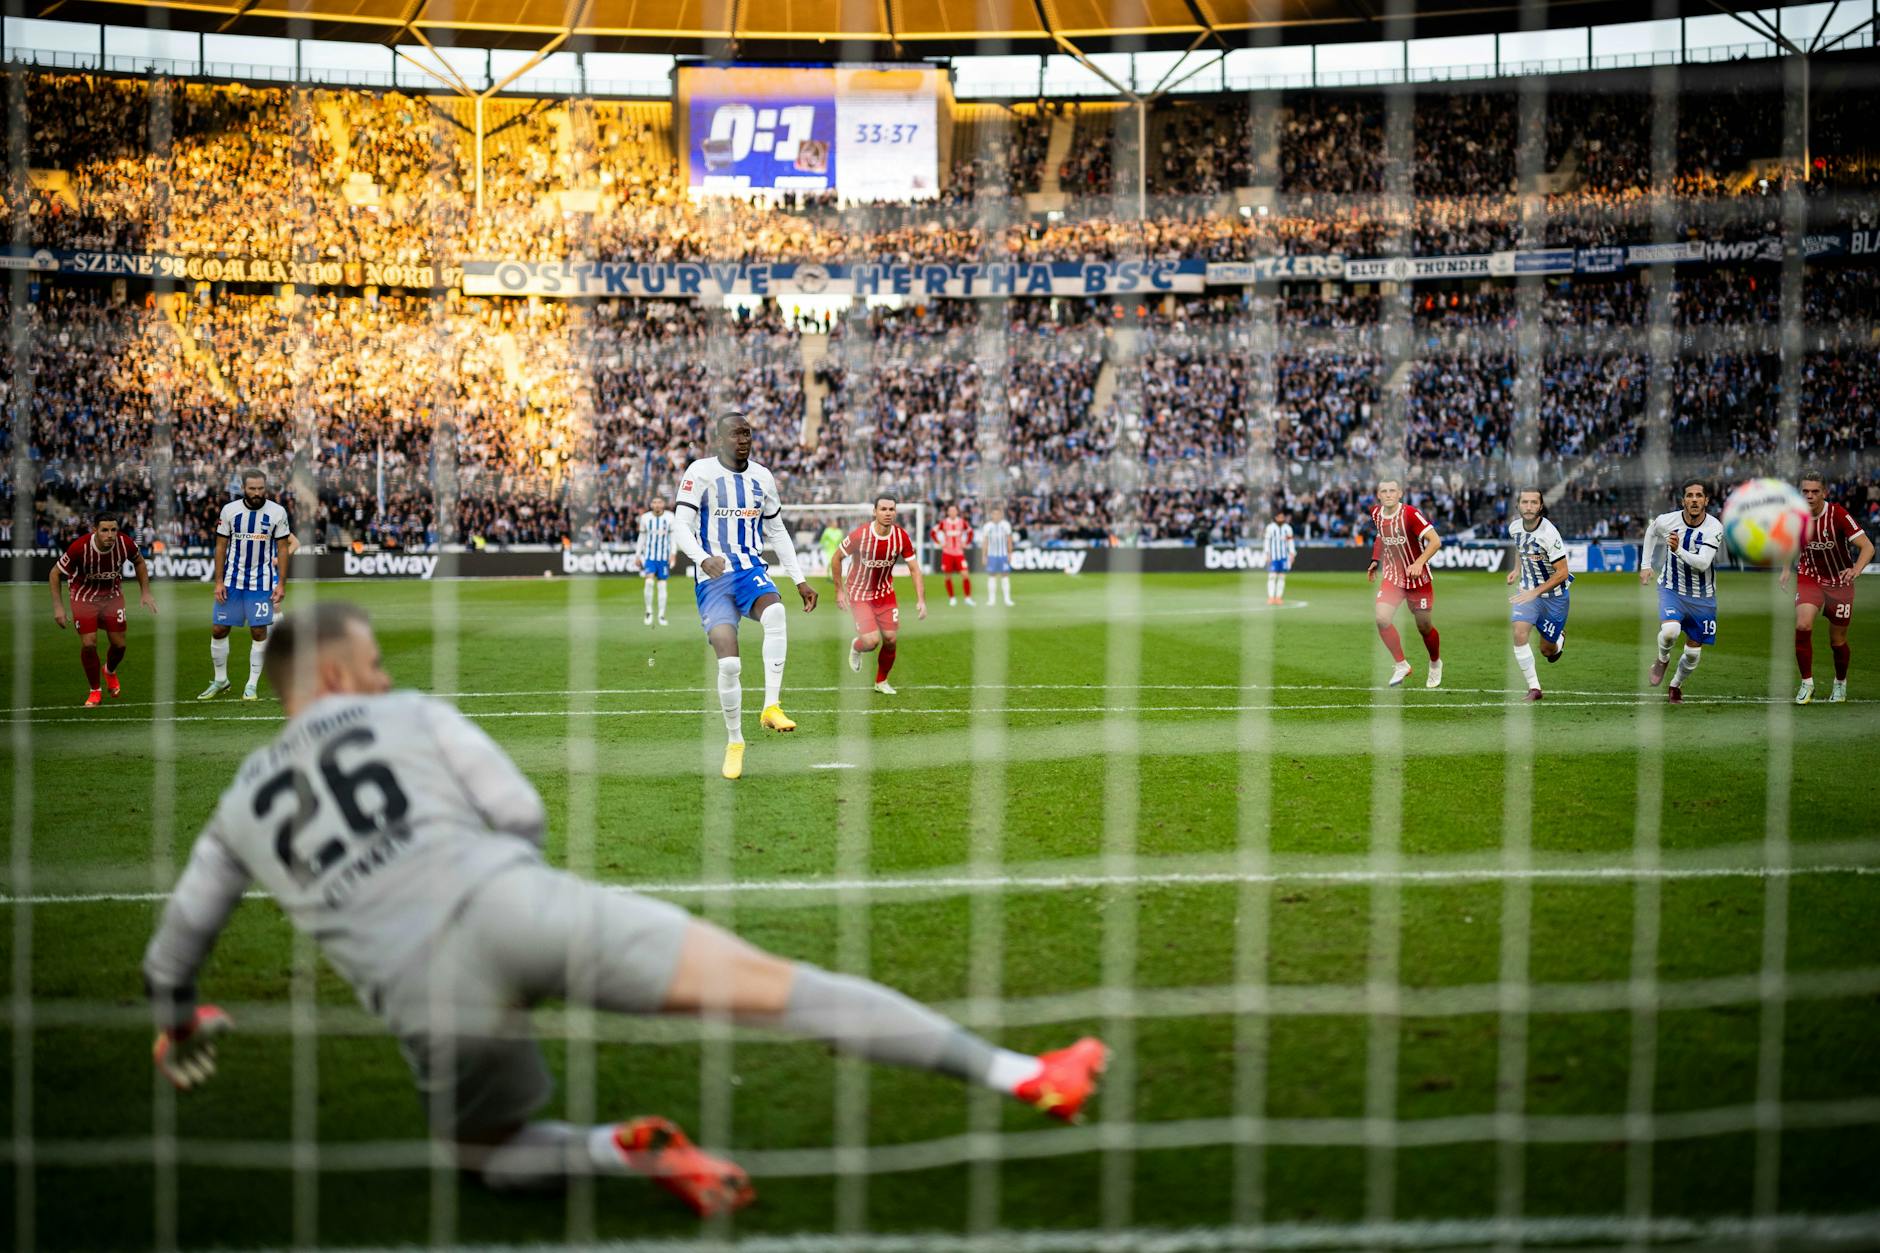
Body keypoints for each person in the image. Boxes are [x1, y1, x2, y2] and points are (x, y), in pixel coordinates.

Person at [142, 602, 1108, 1218]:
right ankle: (1027, 1074)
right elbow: (521, 812)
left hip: (425, 993)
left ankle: (621, 1151)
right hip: (523, 906)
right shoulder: (411, 713)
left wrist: (181, 1021)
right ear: (338, 675)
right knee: (785, 990)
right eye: (376, 663)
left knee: (484, 1153)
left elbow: (173, 951)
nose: (385, 676)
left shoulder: (238, 806)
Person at [671, 413, 818, 780]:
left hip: (750, 570)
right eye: (735, 434)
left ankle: (771, 706)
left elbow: (777, 531)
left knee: (777, 613)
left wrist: (799, 580)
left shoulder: (762, 477)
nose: (743, 439)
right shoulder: (700, 472)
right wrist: (703, 559)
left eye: (747, 433)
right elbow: (681, 526)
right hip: (714, 579)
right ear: (719, 440)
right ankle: (735, 742)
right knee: (729, 666)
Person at [199, 469, 294, 702]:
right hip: (232, 581)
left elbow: (283, 549)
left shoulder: (277, 512)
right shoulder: (229, 511)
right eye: (252, 489)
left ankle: (251, 684)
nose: (257, 493)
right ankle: (220, 680)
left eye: (261, 488)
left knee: (259, 631)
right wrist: (218, 581)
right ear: (243, 488)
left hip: (261, 582)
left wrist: (281, 584)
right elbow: (220, 547)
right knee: (219, 629)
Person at [1780, 470, 1873, 704]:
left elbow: (1868, 547)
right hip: (1810, 576)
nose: (1809, 496)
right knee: (1803, 624)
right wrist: (1786, 569)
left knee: (1837, 641)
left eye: (1814, 491)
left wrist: (1856, 569)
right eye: (1805, 491)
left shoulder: (1838, 514)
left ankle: (1840, 683)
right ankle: (1806, 684)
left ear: (1825, 492)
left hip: (1840, 582)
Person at [49, 510, 158, 706]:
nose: (110, 535)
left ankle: (109, 671)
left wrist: (146, 592)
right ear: (95, 530)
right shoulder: (80, 547)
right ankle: (95, 691)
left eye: (113, 530)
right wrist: (58, 607)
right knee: (89, 644)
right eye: (105, 530)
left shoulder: (124, 543)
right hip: (84, 597)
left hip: (112, 596)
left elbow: (139, 562)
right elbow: (55, 573)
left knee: (119, 645)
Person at [831, 495, 927, 695]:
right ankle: (857, 646)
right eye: (883, 509)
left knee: (890, 639)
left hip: (885, 593)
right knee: (871, 642)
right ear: (874, 512)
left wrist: (921, 600)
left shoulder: (901, 537)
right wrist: (839, 590)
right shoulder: (861, 535)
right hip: (859, 593)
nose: (888, 513)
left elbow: (914, 569)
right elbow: (836, 558)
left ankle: (881, 681)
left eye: (891, 509)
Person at [1640, 479, 1723, 704]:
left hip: (1702, 597)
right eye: (1689, 495)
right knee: (1670, 632)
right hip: (1672, 589)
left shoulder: (1714, 527)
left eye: (1699, 496)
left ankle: (1675, 684)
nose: (1694, 500)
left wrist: (1678, 550)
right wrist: (1645, 565)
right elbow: (1651, 531)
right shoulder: (1668, 520)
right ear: (1683, 500)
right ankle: (1662, 659)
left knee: (1693, 653)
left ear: (1706, 500)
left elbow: (1703, 563)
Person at [1366, 479, 1443, 689]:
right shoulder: (1376, 513)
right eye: (1384, 491)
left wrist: (1419, 563)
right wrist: (1375, 560)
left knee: (1424, 626)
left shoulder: (1410, 514)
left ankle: (1435, 662)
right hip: (1393, 577)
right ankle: (1401, 664)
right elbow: (1381, 535)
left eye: (1392, 490)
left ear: (1400, 493)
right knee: (1382, 619)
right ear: (1378, 495)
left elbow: (1435, 541)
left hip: (1418, 579)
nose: (1388, 494)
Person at [1505, 488, 1572, 702]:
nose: (1529, 506)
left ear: (1541, 506)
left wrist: (1535, 592)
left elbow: (1563, 573)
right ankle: (1534, 688)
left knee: (1547, 650)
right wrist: (1517, 570)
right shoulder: (1514, 528)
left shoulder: (1549, 534)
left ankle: (1559, 640)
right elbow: (1521, 548)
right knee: (1519, 633)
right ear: (1518, 505)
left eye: (1534, 502)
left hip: (1555, 597)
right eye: (1524, 502)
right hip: (1527, 592)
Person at [636, 496, 675, 627]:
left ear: (663, 504)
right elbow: (641, 537)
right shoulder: (645, 518)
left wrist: (673, 554)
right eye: (654, 502)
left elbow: (673, 537)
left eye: (659, 502)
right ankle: (648, 612)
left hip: (663, 557)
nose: (657, 504)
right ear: (651, 504)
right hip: (650, 557)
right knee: (648, 582)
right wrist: (637, 555)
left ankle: (661, 615)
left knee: (662, 586)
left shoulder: (670, 517)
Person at [933, 504, 974, 606]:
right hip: (947, 554)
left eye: (954, 510)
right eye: (950, 511)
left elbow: (970, 532)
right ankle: (952, 598)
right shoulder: (943, 523)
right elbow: (933, 532)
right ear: (948, 512)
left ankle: (967, 598)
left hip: (959, 554)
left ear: (957, 512)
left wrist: (966, 543)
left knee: (965, 575)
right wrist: (939, 543)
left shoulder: (962, 522)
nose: (952, 512)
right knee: (948, 577)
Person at [981, 506, 1016, 607]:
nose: (996, 516)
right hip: (992, 555)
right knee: (992, 576)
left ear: (1001, 515)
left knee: (1005, 576)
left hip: (1003, 555)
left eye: (998, 514)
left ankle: (1007, 599)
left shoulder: (1006, 525)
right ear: (991, 515)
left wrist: (1010, 554)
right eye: (994, 514)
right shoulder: (987, 526)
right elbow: (985, 542)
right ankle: (991, 600)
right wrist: (984, 555)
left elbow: (1009, 540)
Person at [1263, 507, 1296, 605]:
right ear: (1276, 518)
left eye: (1283, 517)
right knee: (1272, 576)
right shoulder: (1270, 528)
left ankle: (1278, 597)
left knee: (1282, 577)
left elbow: (1290, 542)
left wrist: (1292, 553)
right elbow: (1266, 542)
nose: (1281, 519)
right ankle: (1271, 597)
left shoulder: (1288, 528)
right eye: (1280, 517)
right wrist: (1267, 554)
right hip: (1273, 556)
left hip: (1284, 556)